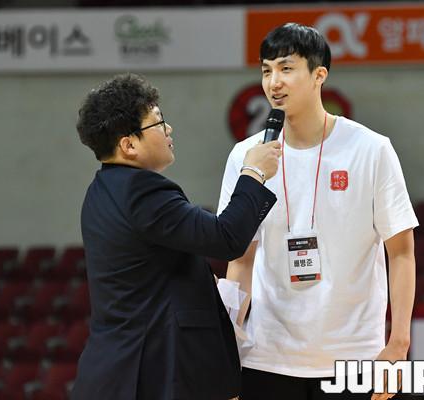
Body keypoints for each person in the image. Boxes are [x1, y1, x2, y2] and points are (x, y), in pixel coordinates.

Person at [217, 23, 418, 400]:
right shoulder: (246, 156)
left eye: (286, 68)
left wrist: (399, 343)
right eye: (266, 71)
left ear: (319, 75)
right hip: (266, 355)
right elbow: (241, 259)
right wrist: (227, 349)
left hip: (353, 355)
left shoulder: (371, 149)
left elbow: (402, 252)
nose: (274, 82)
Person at [72, 73, 281, 400]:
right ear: (129, 145)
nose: (168, 129)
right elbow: (226, 238)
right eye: (158, 122)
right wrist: (253, 172)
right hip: (153, 373)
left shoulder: (100, 190)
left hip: (116, 371)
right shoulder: (143, 191)